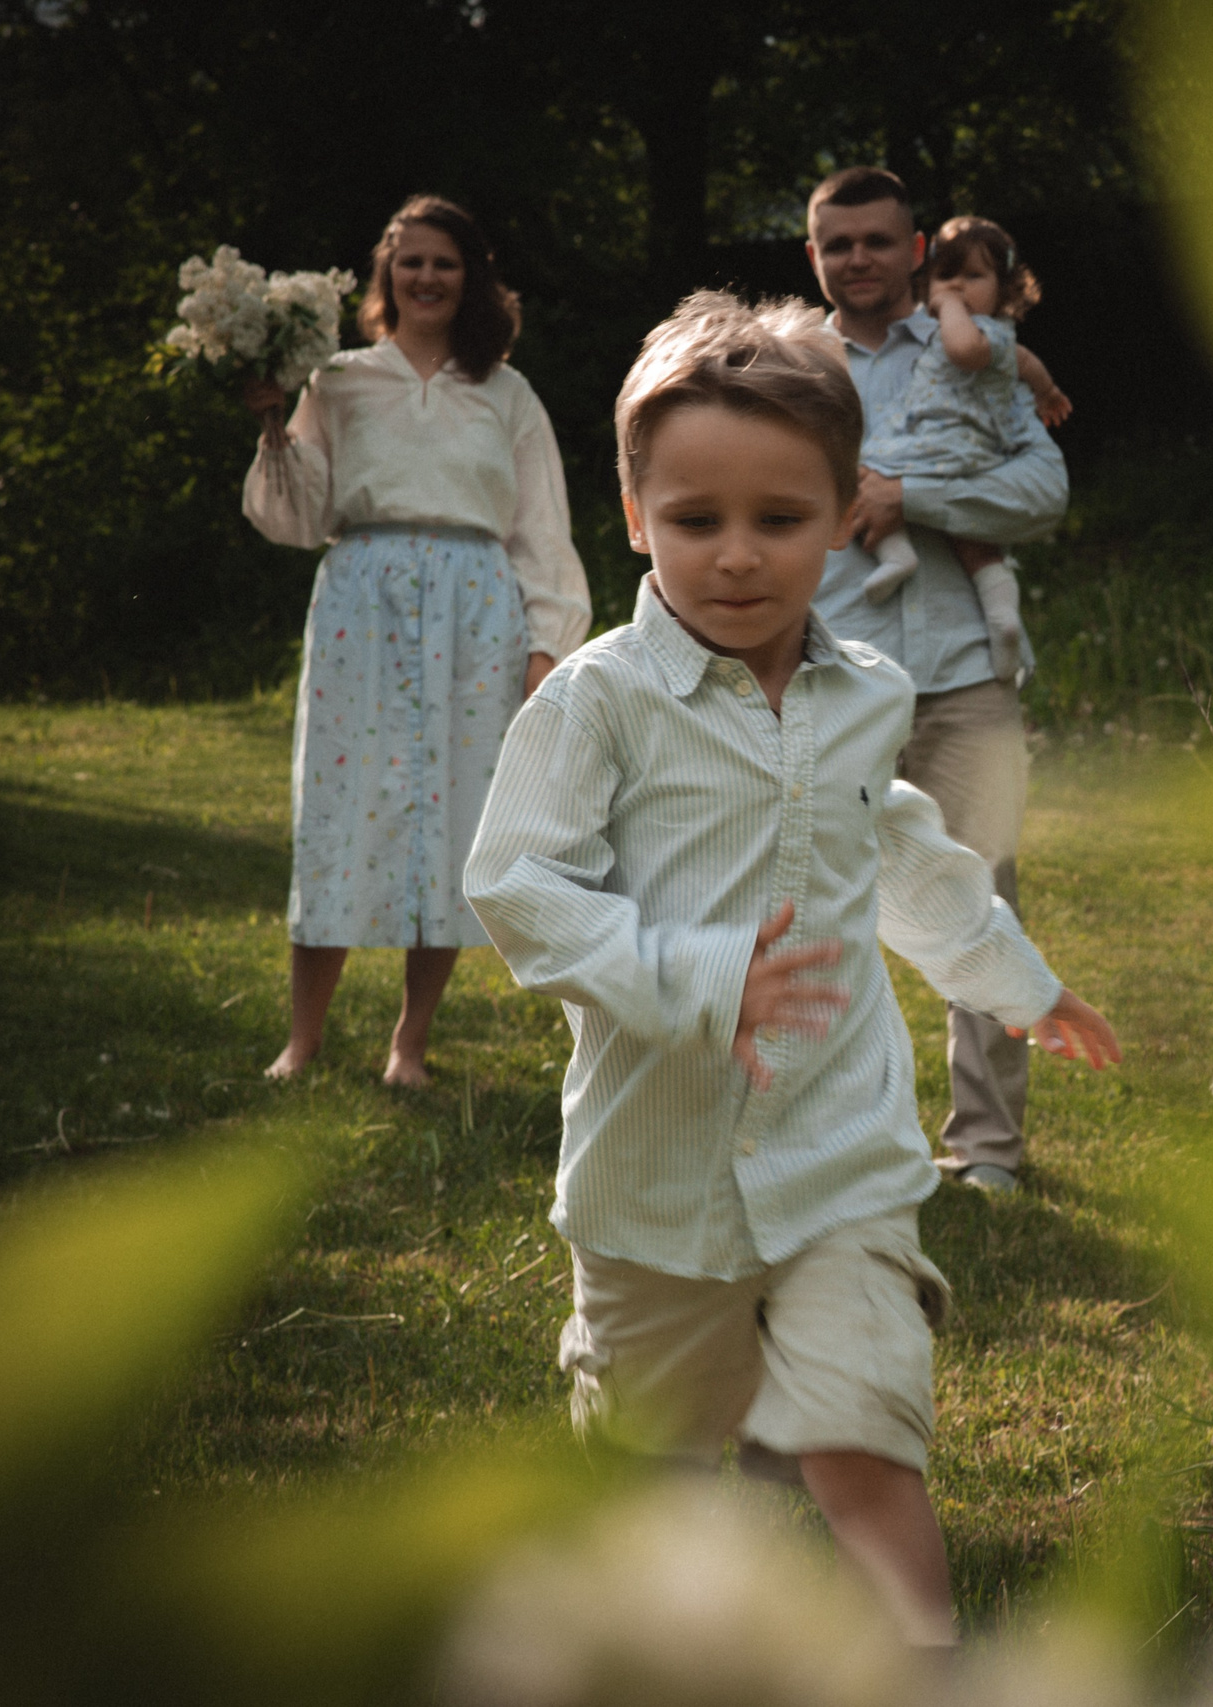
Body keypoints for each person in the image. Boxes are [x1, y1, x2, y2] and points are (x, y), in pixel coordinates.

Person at [462, 291, 1120, 1645]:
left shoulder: (869, 689)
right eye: (698, 519)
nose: (741, 556)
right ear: (637, 515)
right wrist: (703, 972)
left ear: (844, 514)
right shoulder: (597, 698)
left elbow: (910, 854)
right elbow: (515, 886)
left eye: (783, 518)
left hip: (841, 1157)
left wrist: (1018, 980)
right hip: (654, 1178)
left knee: (863, 1444)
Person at [242, 194, 591, 1086]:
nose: (426, 277)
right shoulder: (341, 379)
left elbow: (541, 528)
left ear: (470, 276)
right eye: (410, 262)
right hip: (364, 597)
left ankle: (410, 1045)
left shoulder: (506, 392)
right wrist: (271, 422)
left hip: (477, 609)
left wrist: (544, 648)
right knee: (338, 809)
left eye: (444, 262)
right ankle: (304, 1037)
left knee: (450, 819)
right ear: (385, 275)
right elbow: (299, 515)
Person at [805, 167, 1069, 1194]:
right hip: (829, 668)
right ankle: (836, 1138)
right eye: (838, 244)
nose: (858, 259)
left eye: (877, 241)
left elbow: (1041, 491)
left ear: (917, 250)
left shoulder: (980, 353)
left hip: (964, 673)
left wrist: (911, 495)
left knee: (981, 901)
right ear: (813, 256)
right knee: (816, 906)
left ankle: (989, 1149)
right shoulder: (787, 364)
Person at [855, 214, 1075, 692]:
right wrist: (1048, 391)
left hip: (936, 444)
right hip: (969, 456)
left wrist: (948, 305)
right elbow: (1027, 363)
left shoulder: (978, 331)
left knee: (867, 477)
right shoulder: (1005, 343)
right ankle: (1002, 617)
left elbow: (961, 350)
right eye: (947, 276)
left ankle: (896, 556)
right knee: (975, 539)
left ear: (1005, 289)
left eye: (973, 277)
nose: (957, 286)